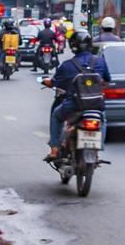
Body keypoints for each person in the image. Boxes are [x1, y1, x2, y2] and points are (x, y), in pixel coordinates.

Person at [42, 32, 111, 160]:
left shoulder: (67, 65)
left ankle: (55, 149)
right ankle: (97, 150)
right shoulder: (100, 62)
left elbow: (53, 83)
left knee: (56, 116)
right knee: (103, 119)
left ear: (73, 46)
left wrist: (44, 81)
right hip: (95, 105)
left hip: (73, 105)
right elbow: (107, 81)